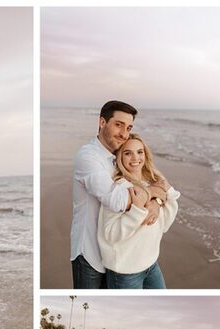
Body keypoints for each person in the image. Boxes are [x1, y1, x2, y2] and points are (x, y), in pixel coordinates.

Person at [70, 100, 161, 289]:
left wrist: (157, 201)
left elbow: (154, 182)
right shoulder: (88, 157)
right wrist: (153, 194)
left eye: (128, 127)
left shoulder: (122, 154)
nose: (123, 133)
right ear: (102, 122)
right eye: (118, 125)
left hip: (116, 252)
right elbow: (117, 200)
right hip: (90, 252)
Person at [98, 134, 179, 288]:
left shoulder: (153, 181)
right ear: (119, 157)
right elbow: (110, 233)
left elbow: (164, 224)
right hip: (125, 271)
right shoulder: (118, 189)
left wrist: (157, 201)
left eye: (140, 152)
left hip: (151, 264)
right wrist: (137, 210)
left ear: (145, 154)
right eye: (128, 153)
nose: (135, 157)